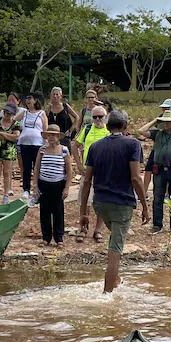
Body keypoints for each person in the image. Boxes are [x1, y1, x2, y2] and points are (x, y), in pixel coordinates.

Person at [79, 109, 148, 293]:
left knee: (114, 243)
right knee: (115, 253)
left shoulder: (95, 147)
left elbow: (87, 181)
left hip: (100, 204)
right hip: (122, 204)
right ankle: (107, 294)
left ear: (108, 127)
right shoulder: (133, 145)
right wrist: (145, 205)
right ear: (125, 126)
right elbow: (136, 178)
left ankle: (115, 279)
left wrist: (83, 213)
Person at [73, 103, 109, 243]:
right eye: (95, 117)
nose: (98, 119)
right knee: (84, 200)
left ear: (105, 117)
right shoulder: (87, 129)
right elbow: (75, 145)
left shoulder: (109, 131)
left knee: (101, 201)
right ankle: (83, 228)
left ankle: (98, 230)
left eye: (101, 117)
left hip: (104, 171)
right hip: (88, 170)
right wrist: (79, 165)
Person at [32, 124, 72, 246]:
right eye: (49, 135)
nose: (51, 137)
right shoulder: (42, 150)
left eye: (54, 135)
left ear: (58, 137)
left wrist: (66, 188)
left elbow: (69, 170)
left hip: (58, 183)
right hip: (44, 183)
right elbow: (37, 169)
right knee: (44, 210)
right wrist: (35, 186)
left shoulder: (64, 150)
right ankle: (46, 237)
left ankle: (59, 238)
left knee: (58, 211)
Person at [143, 97, 171, 200]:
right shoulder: (160, 119)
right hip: (157, 149)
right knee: (148, 170)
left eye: (166, 108)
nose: (164, 110)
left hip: (169, 151)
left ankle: (166, 194)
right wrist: (155, 121)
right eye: (163, 108)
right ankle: (143, 193)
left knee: (166, 171)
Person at [16, 92, 47, 200]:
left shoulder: (42, 113)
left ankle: (37, 189)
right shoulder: (24, 113)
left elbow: (45, 129)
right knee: (26, 167)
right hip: (24, 143)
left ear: (35, 100)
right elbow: (14, 121)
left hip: (37, 144)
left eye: (30, 98)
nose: (28, 100)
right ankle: (26, 189)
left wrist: (46, 143)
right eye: (27, 98)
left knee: (37, 167)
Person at [0, 102, 21, 204]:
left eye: (9, 113)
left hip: (9, 151)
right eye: (5, 112)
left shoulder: (16, 124)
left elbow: (16, 137)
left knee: (7, 172)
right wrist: (8, 136)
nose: (7, 115)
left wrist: (1, 133)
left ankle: (6, 194)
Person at [46, 86, 80, 151]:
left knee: (65, 154)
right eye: (53, 94)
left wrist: (71, 129)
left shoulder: (65, 106)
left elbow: (76, 117)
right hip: (52, 136)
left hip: (64, 136)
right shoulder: (48, 108)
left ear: (60, 96)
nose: (55, 96)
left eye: (57, 94)